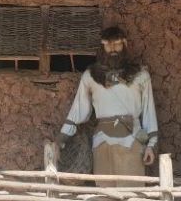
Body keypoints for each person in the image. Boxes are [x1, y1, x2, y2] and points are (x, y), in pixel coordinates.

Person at [56, 26, 158, 185]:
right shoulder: (90, 76)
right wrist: (61, 139)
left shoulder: (140, 75)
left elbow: (148, 112)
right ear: (102, 47)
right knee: (105, 198)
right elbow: (78, 111)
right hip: (102, 142)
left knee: (133, 196)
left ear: (125, 44)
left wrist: (152, 145)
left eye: (117, 44)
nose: (113, 49)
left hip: (133, 140)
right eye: (108, 45)